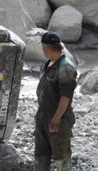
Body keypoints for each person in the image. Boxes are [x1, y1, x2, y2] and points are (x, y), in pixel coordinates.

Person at [35, 31, 77, 171]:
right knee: (41, 154)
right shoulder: (49, 64)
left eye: (43, 47)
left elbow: (66, 96)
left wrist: (56, 118)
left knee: (61, 156)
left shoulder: (65, 67)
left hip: (58, 118)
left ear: (47, 48)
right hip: (43, 116)